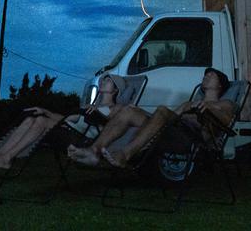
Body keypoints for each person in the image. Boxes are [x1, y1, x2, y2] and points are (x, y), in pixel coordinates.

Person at [67, 68, 234, 168]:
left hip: (192, 137)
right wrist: (139, 112)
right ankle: (94, 152)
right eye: (205, 75)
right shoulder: (189, 103)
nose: (205, 76)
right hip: (172, 131)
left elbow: (225, 120)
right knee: (129, 111)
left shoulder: (225, 103)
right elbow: (172, 117)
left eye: (211, 75)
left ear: (220, 85)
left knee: (161, 110)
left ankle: (125, 155)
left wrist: (208, 110)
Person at [0, 74, 124, 169]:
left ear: (116, 90)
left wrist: (97, 113)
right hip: (69, 130)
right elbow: (66, 120)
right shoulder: (88, 105)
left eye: (108, 80)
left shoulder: (116, 108)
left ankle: (7, 159)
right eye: (104, 79)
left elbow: (113, 124)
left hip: (83, 141)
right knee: (31, 119)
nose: (103, 81)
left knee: (40, 121)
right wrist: (45, 111)